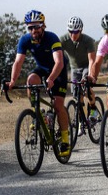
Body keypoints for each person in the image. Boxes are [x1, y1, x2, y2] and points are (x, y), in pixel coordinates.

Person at [8, 9, 71, 156]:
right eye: (30, 27)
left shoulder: (52, 38)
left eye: (36, 26)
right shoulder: (25, 40)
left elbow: (59, 62)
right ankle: (38, 113)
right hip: (42, 69)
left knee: (57, 105)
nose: (33, 30)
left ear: (43, 26)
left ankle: (65, 140)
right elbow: (18, 62)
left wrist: (51, 79)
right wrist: (12, 81)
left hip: (58, 70)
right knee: (31, 80)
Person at [60, 16, 99, 133]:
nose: (73, 34)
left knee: (85, 88)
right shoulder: (63, 39)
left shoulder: (88, 41)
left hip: (87, 66)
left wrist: (90, 76)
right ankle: (81, 121)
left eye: (75, 32)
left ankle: (93, 109)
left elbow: (92, 60)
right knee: (76, 96)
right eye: (70, 31)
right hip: (74, 68)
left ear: (80, 30)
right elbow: (56, 54)